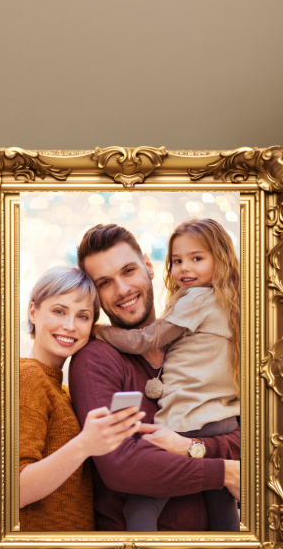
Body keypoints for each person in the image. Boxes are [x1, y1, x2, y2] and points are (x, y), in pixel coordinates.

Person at [68, 223, 241, 533]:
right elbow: (122, 467)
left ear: (149, 266)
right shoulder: (95, 360)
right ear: (95, 295)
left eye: (129, 271)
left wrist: (192, 447)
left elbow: (250, 440)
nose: (122, 290)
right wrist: (224, 471)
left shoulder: (194, 340)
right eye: (105, 282)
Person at [19, 265, 144, 532]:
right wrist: (84, 445)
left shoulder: (62, 390)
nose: (70, 325)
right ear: (33, 311)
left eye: (83, 316)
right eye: (59, 311)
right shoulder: (27, 377)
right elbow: (11, 491)